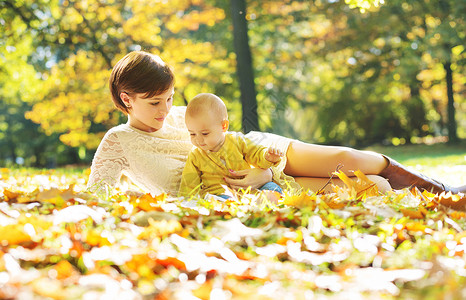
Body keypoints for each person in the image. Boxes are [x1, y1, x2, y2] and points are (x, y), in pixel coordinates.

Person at [87, 50, 465, 198]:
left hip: (262, 152)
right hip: (249, 190)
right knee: (360, 187)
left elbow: (223, 132)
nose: (166, 109)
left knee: (355, 160)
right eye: (155, 103)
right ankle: (435, 196)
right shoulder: (118, 142)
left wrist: (260, 165)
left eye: (170, 98)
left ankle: (447, 190)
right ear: (126, 100)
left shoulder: (180, 114)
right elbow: (97, 196)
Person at [179, 93, 285, 198]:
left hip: (251, 190)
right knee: (221, 201)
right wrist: (187, 201)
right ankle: (240, 208)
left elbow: (256, 152)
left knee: (271, 187)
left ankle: (264, 203)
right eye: (192, 134)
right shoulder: (195, 156)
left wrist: (267, 156)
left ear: (223, 126)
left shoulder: (237, 140)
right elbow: (188, 185)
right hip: (221, 195)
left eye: (205, 133)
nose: (198, 139)